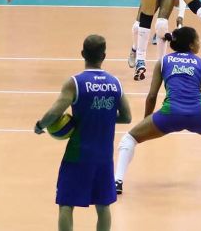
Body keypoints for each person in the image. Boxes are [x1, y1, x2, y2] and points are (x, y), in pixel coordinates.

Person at [114, 26, 201, 194]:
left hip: (169, 115)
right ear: (191, 45)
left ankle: (117, 182)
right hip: (199, 114)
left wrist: (147, 120)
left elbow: (151, 96)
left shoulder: (163, 61)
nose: (199, 43)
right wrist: (200, 113)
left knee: (129, 139)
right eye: (198, 40)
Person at [35, 35, 132, 231]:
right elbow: (127, 117)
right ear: (104, 55)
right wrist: (101, 116)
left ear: (82, 54)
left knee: (66, 203)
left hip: (77, 154)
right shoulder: (115, 83)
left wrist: (40, 125)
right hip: (104, 157)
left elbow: (56, 111)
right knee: (103, 206)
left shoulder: (75, 83)